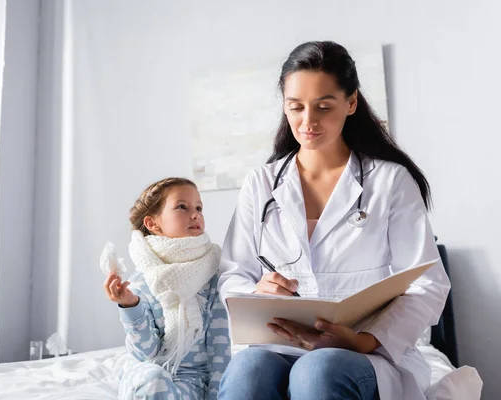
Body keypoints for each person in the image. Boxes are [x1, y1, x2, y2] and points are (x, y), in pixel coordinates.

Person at [217, 41, 451, 400]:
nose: (307, 122)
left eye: (323, 107)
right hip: (277, 345)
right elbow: (234, 274)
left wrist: (362, 339)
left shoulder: (390, 182)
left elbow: (427, 284)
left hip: (363, 351)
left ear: (351, 103)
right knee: (246, 373)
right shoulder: (261, 183)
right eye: (295, 107)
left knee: (318, 370)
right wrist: (257, 292)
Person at [104, 177, 230, 400]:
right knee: (153, 380)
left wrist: (216, 395)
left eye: (199, 208)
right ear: (152, 224)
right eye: (182, 206)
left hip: (193, 378)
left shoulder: (213, 276)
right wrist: (130, 305)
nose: (195, 214)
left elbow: (219, 350)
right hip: (148, 369)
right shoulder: (142, 280)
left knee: (159, 386)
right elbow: (147, 353)